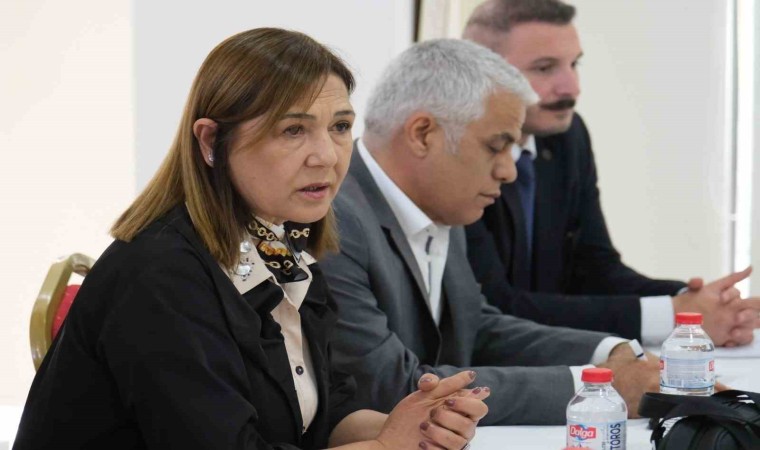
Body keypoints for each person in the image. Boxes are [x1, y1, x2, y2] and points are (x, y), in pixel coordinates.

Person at [13, 28, 489, 450]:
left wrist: (413, 427)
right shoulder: (160, 274)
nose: (327, 155)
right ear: (210, 142)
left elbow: (326, 415)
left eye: (340, 127)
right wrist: (386, 447)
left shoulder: (281, 247)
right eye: (293, 130)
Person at [318, 38, 664, 426]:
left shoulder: (441, 202)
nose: (509, 171)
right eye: (496, 147)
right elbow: (391, 389)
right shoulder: (333, 219)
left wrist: (607, 351)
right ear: (423, 134)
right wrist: (596, 387)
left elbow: (476, 327)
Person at [462, 0, 760, 347]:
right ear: (483, 75)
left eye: (574, 64)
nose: (571, 87)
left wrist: (693, 301)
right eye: (544, 68)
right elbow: (496, 305)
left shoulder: (566, 137)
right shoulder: (459, 154)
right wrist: (674, 315)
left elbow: (593, 267)